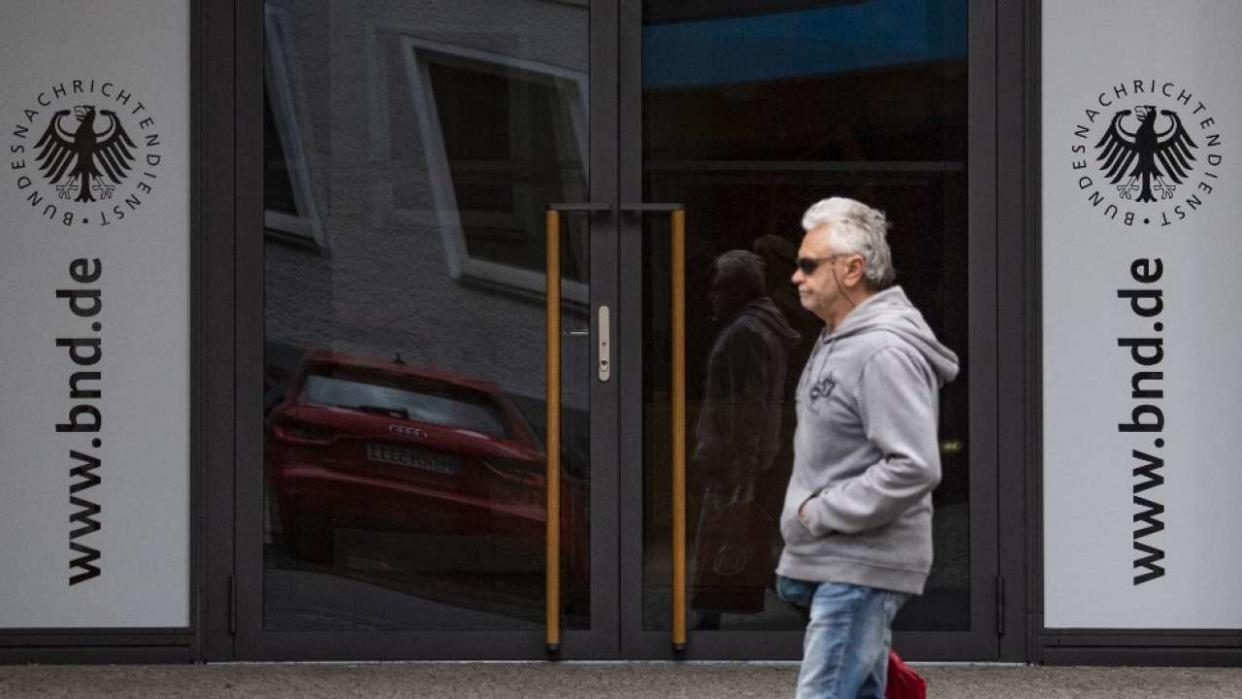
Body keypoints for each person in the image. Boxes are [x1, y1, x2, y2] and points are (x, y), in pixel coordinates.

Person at [776, 197, 959, 698]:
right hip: (841, 561)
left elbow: (914, 465)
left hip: (858, 565)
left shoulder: (883, 351)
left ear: (852, 269)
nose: (796, 276)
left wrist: (820, 512)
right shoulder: (839, 338)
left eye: (809, 264)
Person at [690, 250, 799, 627]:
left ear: (738, 290)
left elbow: (748, 408)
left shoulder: (746, 333)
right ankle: (708, 618)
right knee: (742, 540)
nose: (712, 296)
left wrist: (742, 467)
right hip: (743, 459)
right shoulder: (759, 327)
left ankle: (707, 622)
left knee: (731, 539)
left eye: (718, 288)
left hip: (735, 462)